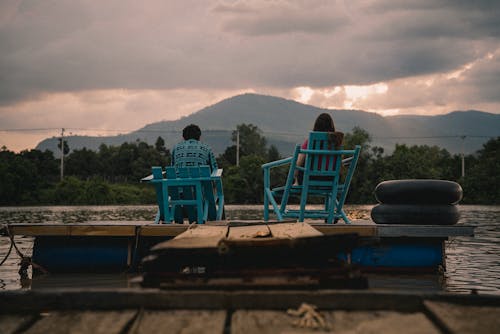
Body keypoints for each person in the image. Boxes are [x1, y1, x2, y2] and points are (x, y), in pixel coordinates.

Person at [294, 113, 344, 185]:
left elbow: (298, 162)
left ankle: (296, 182)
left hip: (309, 178)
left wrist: (296, 179)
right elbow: (339, 166)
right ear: (332, 126)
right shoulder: (336, 142)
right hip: (331, 180)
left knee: (303, 161)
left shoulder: (310, 142)